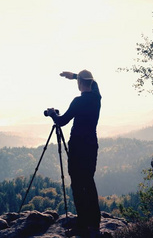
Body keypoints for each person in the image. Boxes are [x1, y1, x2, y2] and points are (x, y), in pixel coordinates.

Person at [46, 70, 101, 237]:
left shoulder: (78, 101)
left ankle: (83, 222)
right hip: (91, 145)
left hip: (78, 147)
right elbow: (95, 84)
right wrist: (76, 76)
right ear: (91, 82)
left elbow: (62, 121)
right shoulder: (97, 98)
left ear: (79, 84)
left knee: (77, 184)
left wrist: (52, 114)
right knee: (89, 181)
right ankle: (95, 220)